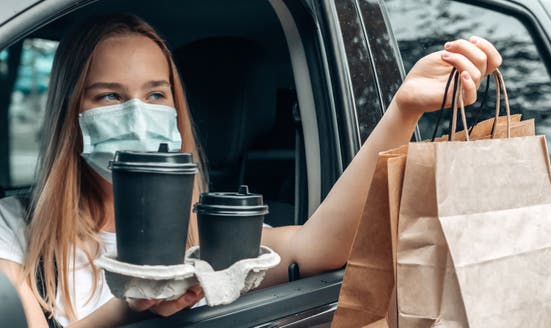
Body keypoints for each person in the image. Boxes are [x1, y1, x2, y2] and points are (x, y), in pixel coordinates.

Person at [0, 13, 502, 327]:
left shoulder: (206, 231)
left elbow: (321, 248)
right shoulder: (15, 229)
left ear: (174, 112)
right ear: (72, 111)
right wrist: (126, 308)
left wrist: (403, 110)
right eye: (109, 95)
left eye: (155, 94)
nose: (136, 113)